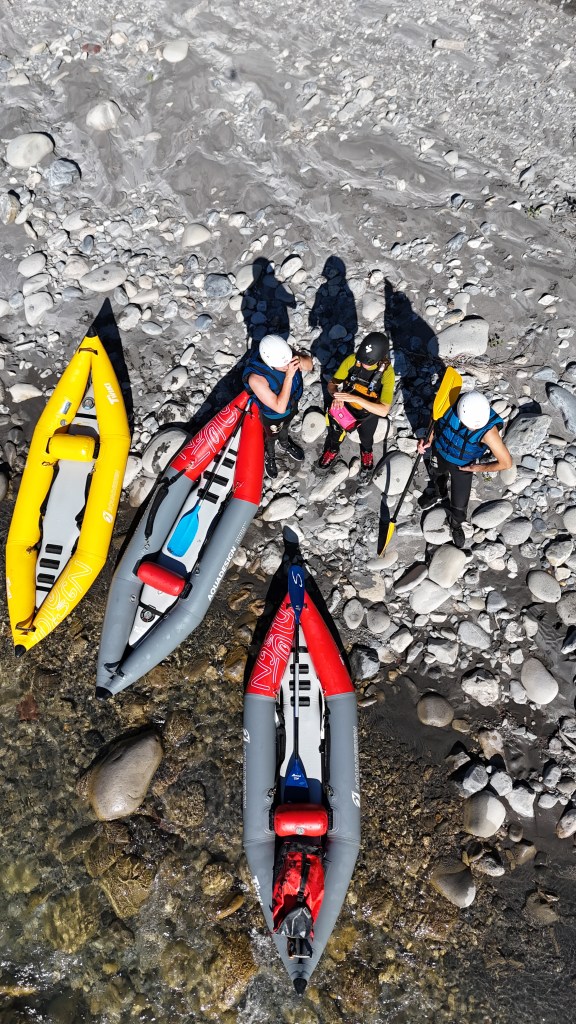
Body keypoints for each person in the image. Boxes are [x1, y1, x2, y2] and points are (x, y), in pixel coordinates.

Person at [417, 389, 513, 548]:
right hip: (439, 452)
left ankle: (455, 524)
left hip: (463, 467)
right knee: (436, 475)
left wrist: (476, 467)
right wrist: (428, 439)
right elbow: (435, 420)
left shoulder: (489, 432)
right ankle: (438, 493)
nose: (473, 430)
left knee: (460, 507)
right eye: (470, 426)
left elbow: (506, 463)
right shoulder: (447, 404)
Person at [317, 331, 394, 474]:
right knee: (335, 433)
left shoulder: (387, 373)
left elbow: (384, 410)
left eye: (368, 361)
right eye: (362, 359)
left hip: (368, 414)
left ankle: (366, 452)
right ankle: (333, 449)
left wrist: (356, 398)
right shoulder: (352, 360)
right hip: (345, 408)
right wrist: (336, 396)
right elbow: (332, 385)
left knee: (366, 437)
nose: (364, 363)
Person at [242, 334, 313, 479]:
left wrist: (299, 359)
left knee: (285, 427)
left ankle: (285, 444)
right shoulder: (256, 379)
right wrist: (288, 376)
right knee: (271, 435)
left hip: (291, 407)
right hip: (273, 415)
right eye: (284, 365)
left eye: (289, 361)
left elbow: (310, 365)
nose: (288, 366)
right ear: (270, 363)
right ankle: (270, 454)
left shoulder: (285, 356)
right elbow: (279, 407)